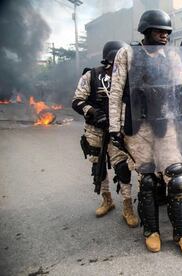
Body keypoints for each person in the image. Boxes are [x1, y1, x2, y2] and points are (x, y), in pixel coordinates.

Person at [108, 10, 182, 257]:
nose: (165, 36)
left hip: (165, 123)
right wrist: (115, 127)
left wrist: (177, 96)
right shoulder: (127, 53)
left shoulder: (172, 56)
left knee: (177, 177)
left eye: (168, 32)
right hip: (138, 125)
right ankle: (152, 231)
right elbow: (115, 93)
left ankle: (181, 234)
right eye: (160, 31)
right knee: (147, 179)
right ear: (146, 30)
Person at [72, 41, 139, 228]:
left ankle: (127, 207)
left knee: (122, 168)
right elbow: (77, 101)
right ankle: (107, 200)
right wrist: (93, 112)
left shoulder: (128, 77)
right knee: (98, 168)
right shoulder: (91, 75)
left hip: (117, 130)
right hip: (95, 131)